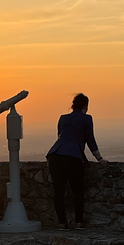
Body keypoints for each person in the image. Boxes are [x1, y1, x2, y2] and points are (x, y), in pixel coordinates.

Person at [46, 93, 108, 230]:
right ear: (85, 106)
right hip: (73, 157)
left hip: (55, 155)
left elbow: (60, 136)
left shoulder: (63, 118)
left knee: (59, 191)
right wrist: (100, 159)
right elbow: (90, 140)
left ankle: (62, 223)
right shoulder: (86, 118)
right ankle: (79, 222)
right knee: (77, 190)